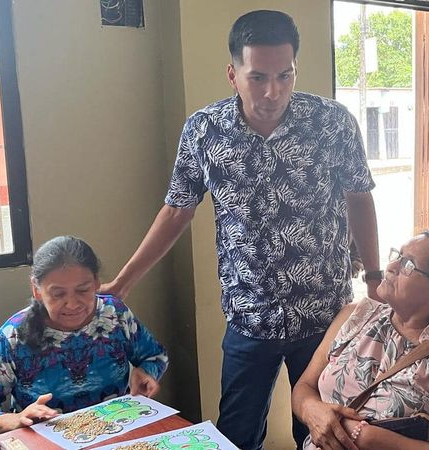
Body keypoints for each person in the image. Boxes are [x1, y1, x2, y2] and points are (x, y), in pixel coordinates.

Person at [100, 10, 381, 450]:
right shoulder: (204, 130)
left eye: (284, 76)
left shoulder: (331, 122)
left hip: (323, 314)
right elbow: (176, 211)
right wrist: (122, 282)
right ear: (233, 74)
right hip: (249, 315)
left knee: (325, 435)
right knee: (236, 434)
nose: (273, 91)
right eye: (258, 77)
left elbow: (359, 196)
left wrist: (376, 275)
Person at [292, 228, 429, 450]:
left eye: (408, 265)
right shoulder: (355, 317)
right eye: (398, 256)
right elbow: (304, 386)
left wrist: (368, 437)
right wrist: (312, 410)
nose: (391, 267)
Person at [0, 236, 168, 436]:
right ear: (37, 290)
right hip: (43, 441)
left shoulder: (115, 315)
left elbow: (156, 356)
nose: (72, 304)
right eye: (58, 294)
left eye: (83, 290)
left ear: (96, 282)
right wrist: (15, 420)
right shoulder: (14, 335)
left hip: (117, 431)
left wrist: (145, 372)